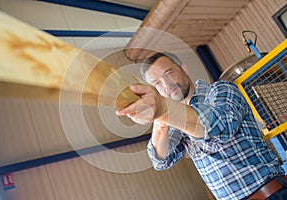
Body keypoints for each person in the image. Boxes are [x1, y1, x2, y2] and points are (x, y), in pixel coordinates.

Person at [116, 52, 287, 200]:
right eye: (157, 84)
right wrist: (160, 120)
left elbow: (218, 127)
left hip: (272, 195)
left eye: (168, 73)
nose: (166, 84)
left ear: (184, 69)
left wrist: (162, 108)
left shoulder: (221, 91)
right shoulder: (175, 122)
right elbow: (161, 159)